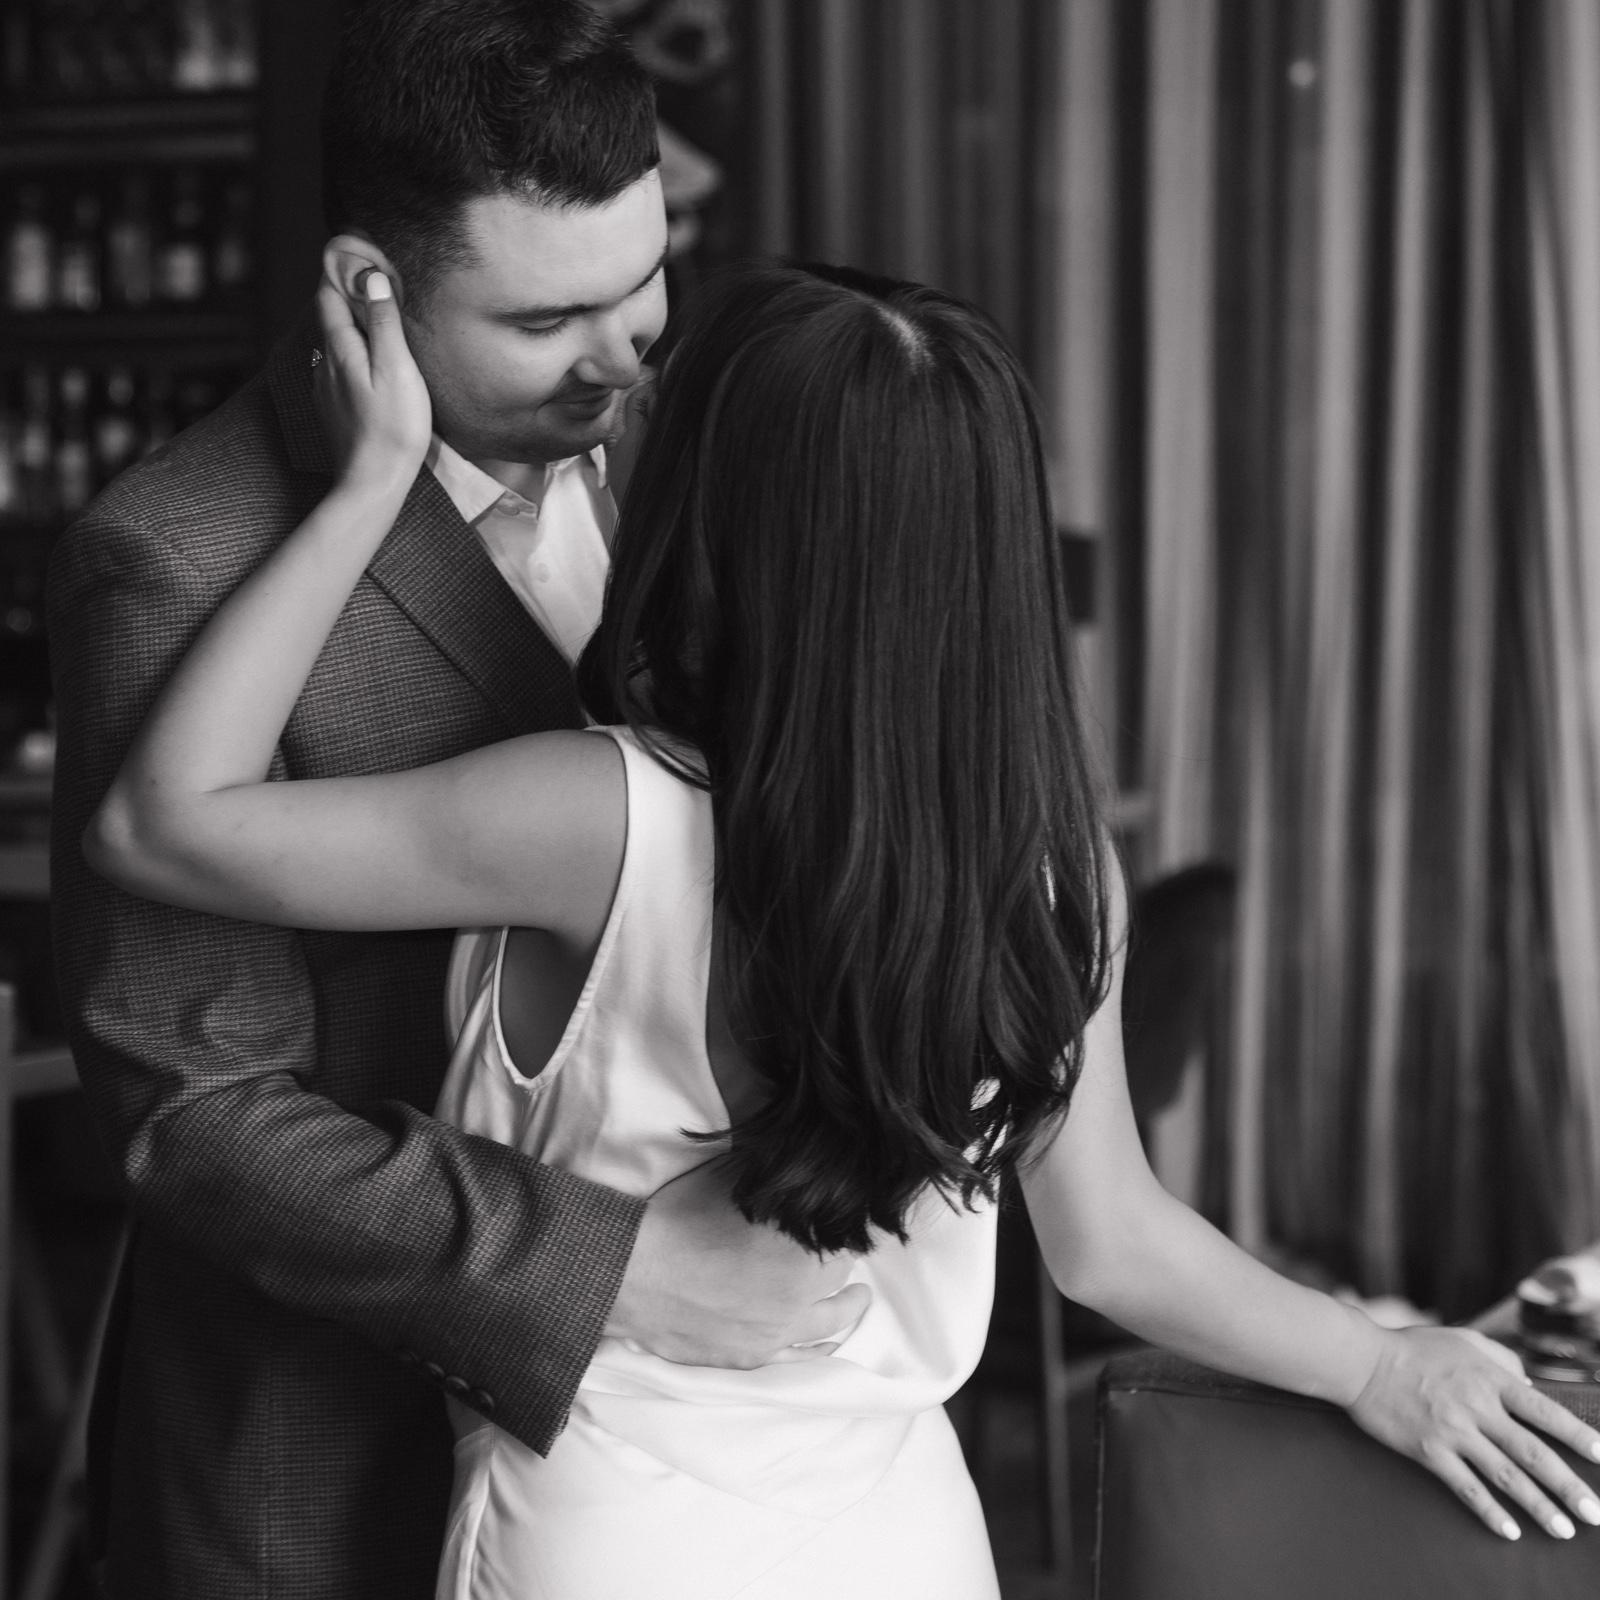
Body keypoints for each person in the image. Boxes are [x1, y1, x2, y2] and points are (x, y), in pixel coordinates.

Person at [83, 259, 1600, 1598]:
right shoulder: (1053, 864)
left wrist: (372, 486)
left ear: (720, 523)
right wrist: (1380, 1361)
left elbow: (159, 820)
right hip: (903, 1534)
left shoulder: (592, 815)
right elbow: (1115, 1245)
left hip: (612, 1539)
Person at [46, 5, 861, 1597]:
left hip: (681, 1469)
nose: (622, 360)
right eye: (548, 318)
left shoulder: (695, 447)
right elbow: (193, 1114)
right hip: (330, 1455)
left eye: (646, 283)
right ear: (371, 285)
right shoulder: (174, 560)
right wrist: (608, 1273)